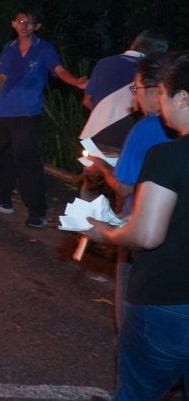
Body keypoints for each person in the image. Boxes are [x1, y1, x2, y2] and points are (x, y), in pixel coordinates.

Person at [82, 51, 189, 400]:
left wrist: (105, 233)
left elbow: (146, 233)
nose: (159, 103)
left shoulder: (169, 155)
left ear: (182, 98)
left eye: (163, 95)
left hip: (166, 301)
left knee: (137, 392)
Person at [81, 55, 174, 326]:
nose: (134, 99)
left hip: (141, 231)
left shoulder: (145, 128)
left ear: (157, 89)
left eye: (136, 89)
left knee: (131, 322)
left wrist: (101, 166)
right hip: (177, 239)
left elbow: (125, 185)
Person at [0, 9, 88, 228]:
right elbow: (2, 76)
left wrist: (75, 81)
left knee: (28, 162)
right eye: (20, 21)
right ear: (13, 24)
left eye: (28, 23)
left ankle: (37, 211)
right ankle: (1, 200)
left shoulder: (43, 49)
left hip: (27, 113)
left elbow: (59, 70)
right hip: (5, 110)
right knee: (2, 158)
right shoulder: (9, 48)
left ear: (36, 26)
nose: (24, 26)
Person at [80, 31, 168, 152]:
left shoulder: (103, 63)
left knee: (94, 169)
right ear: (159, 52)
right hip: (130, 140)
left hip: (95, 135)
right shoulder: (152, 72)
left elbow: (87, 101)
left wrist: (105, 117)